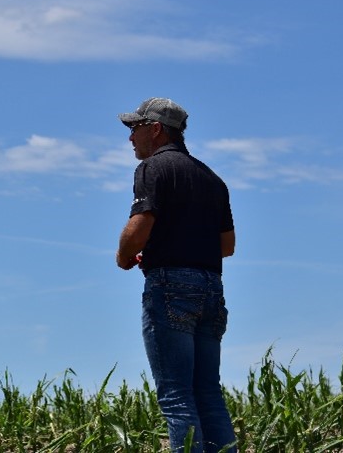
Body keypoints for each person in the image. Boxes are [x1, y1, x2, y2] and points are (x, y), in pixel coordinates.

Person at [115, 98, 237, 453]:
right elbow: (226, 246)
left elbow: (139, 228)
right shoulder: (213, 179)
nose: (130, 138)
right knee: (208, 393)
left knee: (176, 396)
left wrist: (124, 255)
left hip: (170, 288)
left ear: (155, 129)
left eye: (135, 128)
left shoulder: (153, 168)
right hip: (212, 288)